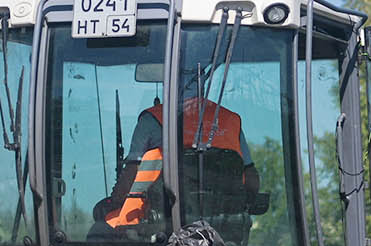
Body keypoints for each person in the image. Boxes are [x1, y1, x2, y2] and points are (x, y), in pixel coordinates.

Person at [95, 81, 257, 231]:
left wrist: (114, 200)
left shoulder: (152, 119)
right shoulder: (230, 120)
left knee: (100, 231)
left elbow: (131, 176)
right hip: (222, 232)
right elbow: (251, 180)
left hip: (156, 231)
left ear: (169, 81)